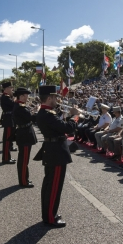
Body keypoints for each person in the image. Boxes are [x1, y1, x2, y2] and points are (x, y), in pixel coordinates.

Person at [35, 85, 78, 228]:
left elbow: (58, 125)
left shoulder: (45, 112)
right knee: (54, 186)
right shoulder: (48, 115)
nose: (56, 99)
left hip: (52, 150)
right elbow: (68, 128)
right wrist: (75, 116)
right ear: (49, 98)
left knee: (49, 184)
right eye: (54, 97)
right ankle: (50, 217)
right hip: (56, 152)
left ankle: (48, 213)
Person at [13, 87, 38, 188]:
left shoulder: (20, 105)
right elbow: (31, 118)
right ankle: (23, 181)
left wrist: (33, 110)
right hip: (25, 134)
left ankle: (24, 179)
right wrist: (38, 111)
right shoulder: (20, 107)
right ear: (21, 96)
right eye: (25, 95)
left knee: (23, 159)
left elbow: (27, 115)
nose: (27, 97)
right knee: (24, 160)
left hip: (24, 132)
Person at [0, 81, 17, 165]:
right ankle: (6, 158)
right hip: (8, 119)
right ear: (6, 89)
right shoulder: (5, 97)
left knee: (9, 139)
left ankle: (7, 157)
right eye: (11, 88)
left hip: (11, 119)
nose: (12, 89)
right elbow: (14, 105)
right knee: (7, 140)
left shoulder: (8, 97)